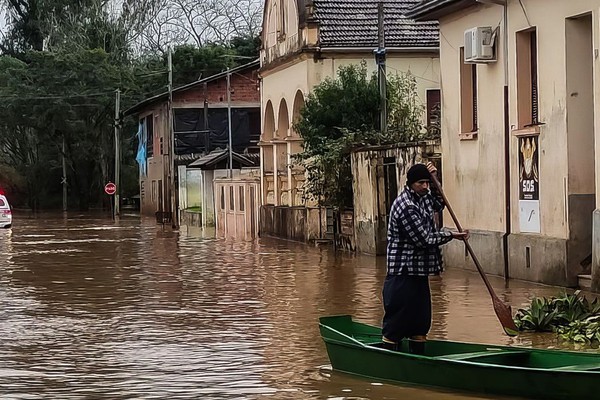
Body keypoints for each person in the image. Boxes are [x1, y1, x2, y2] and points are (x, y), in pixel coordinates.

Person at [382, 162, 468, 354]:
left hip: (419, 271)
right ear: (411, 183)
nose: (425, 186)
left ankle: (418, 356)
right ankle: (389, 357)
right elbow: (424, 239)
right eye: (421, 183)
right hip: (402, 272)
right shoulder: (406, 206)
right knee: (397, 321)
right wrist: (452, 235)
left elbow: (440, 202)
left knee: (421, 322)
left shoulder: (424, 196)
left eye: (427, 183)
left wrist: (436, 179)